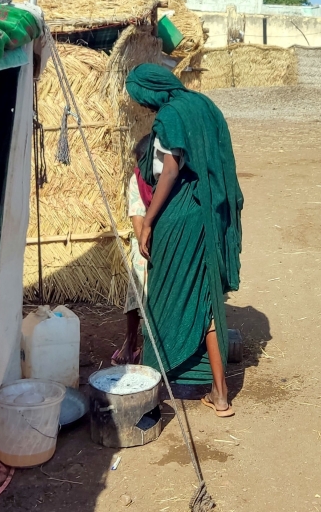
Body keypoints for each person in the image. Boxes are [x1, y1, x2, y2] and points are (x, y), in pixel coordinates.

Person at [125, 64, 243, 418]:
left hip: (180, 214)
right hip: (208, 210)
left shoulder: (172, 114)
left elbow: (172, 168)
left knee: (162, 298)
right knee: (207, 299)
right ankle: (220, 395)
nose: (144, 107)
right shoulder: (203, 106)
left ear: (151, 91)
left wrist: (149, 220)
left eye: (141, 99)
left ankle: (150, 391)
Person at [113, 135, 152, 366]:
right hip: (145, 244)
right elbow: (137, 217)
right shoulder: (137, 180)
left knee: (154, 298)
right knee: (136, 290)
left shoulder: (168, 179)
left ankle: (149, 344)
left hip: (166, 244)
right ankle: (130, 342)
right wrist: (144, 243)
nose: (138, 167)